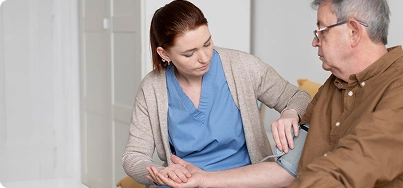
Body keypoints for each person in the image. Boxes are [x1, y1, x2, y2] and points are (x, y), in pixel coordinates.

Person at [158, 0, 403, 187]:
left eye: (321, 31)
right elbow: (287, 167)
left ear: (354, 32)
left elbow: (344, 173)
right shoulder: (334, 87)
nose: (314, 41)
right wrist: (204, 180)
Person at [121, 0, 311, 187]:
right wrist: (160, 172)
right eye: (189, 54)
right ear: (165, 54)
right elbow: (133, 156)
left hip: (244, 180)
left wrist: (290, 112)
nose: (204, 58)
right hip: (185, 183)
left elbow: (299, 97)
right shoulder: (152, 88)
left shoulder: (242, 66)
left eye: (207, 43)